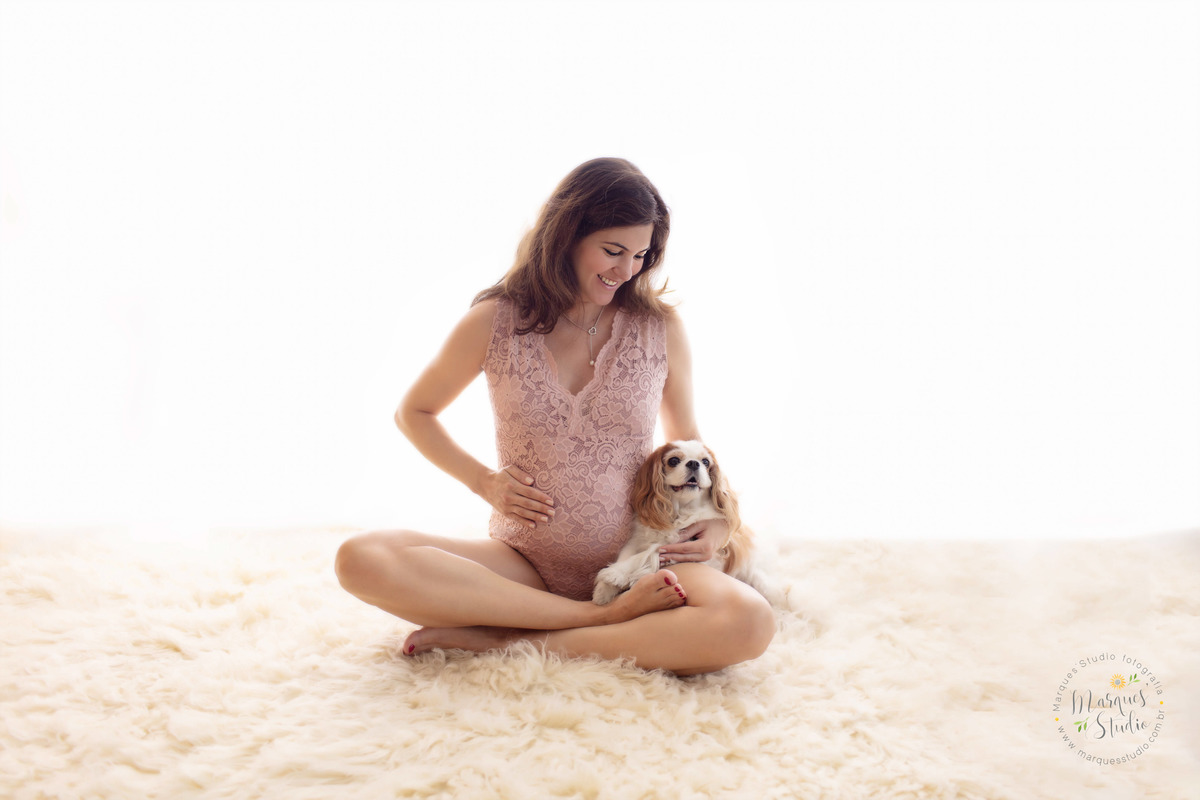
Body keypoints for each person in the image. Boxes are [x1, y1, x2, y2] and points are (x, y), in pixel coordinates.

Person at [334, 157, 774, 676]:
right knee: (361, 558)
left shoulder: (659, 329)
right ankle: (595, 619)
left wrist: (719, 524)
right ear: (567, 234)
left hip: (637, 559)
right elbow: (414, 412)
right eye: (613, 250)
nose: (626, 271)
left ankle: (513, 640)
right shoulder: (495, 322)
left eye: (640, 255)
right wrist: (484, 482)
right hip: (524, 564)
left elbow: (687, 440)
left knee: (750, 621)